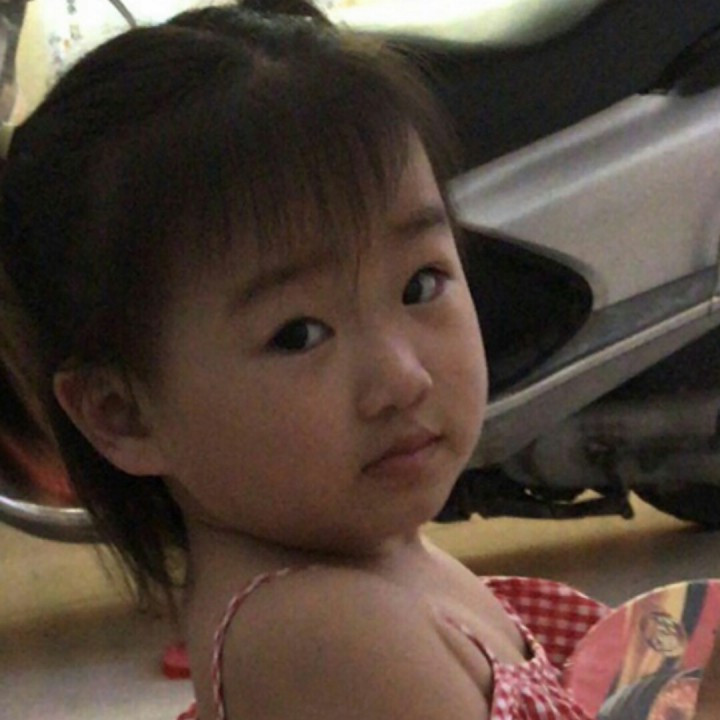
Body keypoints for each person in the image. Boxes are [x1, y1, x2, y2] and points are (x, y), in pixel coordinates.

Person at [0, 2, 718, 719]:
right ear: (122, 414)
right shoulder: (324, 638)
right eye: (299, 334)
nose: (403, 378)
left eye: (420, 286)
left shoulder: (371, 563)